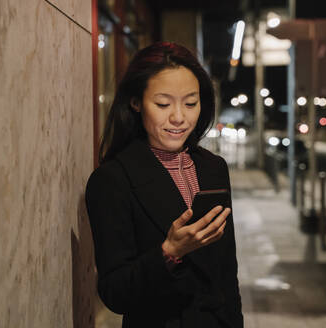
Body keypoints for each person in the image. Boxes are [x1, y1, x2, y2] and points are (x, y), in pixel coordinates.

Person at [85, 41, 243, 328]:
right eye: (163, 104)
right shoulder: (112, 180)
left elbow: (227, 274)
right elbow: (114, 293)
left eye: (191, 103)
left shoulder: (213, 168)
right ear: (136, 102)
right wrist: (169, 252)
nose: (179, 117)